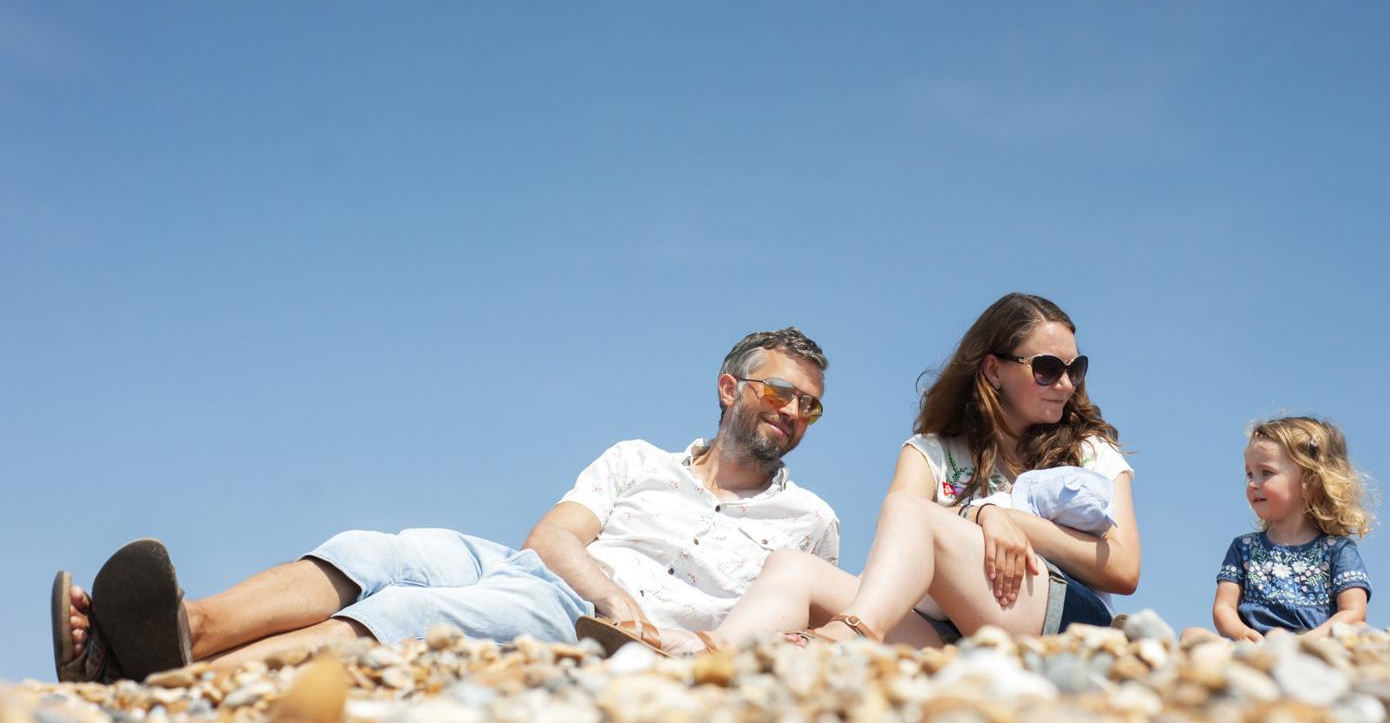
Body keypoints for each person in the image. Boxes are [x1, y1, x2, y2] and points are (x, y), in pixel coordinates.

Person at [54, 328, 839, 683]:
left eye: (810, 406)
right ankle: (183, 631)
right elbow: (555, 536)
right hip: (563, 575)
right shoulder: (637, 460)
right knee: (375, 551)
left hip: (597, 630)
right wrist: (608, 589)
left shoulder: (810, 522)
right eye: (780, 392)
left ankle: (158, 683)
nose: (793, 413)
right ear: (730, 388)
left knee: (413, 612)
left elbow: (809, 622)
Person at [595, 292, 1138, 654]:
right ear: (994, 369)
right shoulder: (932, 451)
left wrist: (996, 514)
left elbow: (1125, 569)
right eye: (1047, 368)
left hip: (1055, 620)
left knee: (909, 511)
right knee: (792, 567)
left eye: (1074, 368)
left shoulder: (1089, 449)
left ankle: (849, 636)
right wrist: (979, 516)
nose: (1065, 383)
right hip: (948, 636)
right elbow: (902, 547)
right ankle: (710, 655)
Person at [1180, 416, 1374, 644]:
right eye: (1250, 474)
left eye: (1266, 473)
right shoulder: (1244, 548)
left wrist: (1307, 642)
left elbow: (1354, 612)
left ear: (1309, 483)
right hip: (1256, 645)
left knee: (1361, 629)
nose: (1253, 483)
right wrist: (1240, 632)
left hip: (1315, 646)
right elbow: (1224, 606)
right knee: (1191, 634)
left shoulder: (1338, 550)